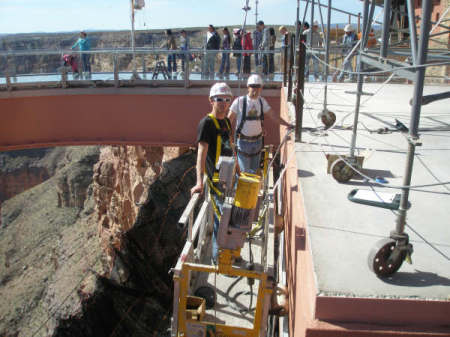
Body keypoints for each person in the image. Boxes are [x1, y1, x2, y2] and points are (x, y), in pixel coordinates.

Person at [191, 82, 234, 265]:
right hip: (216, 181)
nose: (223, 103)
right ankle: (218, 259)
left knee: (230, 216)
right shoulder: (207, 123)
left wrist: (239, 170)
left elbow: (231, 145)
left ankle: (228, 252)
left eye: (226, 99)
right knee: (221, 219)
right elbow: (201, 153)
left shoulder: (226, 122)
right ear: (211, 101)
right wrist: (199, 182)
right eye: (219, 99)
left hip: (230, 176)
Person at [228, 74, 293, 174]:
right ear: (248, 87)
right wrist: (227, 138)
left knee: (254, 172)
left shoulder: (262, 102)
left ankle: (252, 190)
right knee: (244, 173)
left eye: (258, 86)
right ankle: (241, 189)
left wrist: (286, 124)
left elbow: (273, 115)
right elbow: (229, 120)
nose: (255, 89)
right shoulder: (239, 102)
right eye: (253, 86)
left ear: (261, 88)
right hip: (243, 142)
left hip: (257, 142)